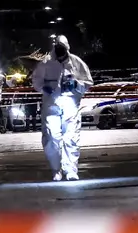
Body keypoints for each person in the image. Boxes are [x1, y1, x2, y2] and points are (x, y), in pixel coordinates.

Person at [32, 35, 93, 181]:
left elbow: (88, 83)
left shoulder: (76, 62)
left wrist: (76, 84)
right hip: (51, 105)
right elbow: (36, 80)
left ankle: (70, 170)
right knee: (51, 137)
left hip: (71, 105)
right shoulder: (46, 63)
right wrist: (43, 88)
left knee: (71, 137)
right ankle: (56, 169)